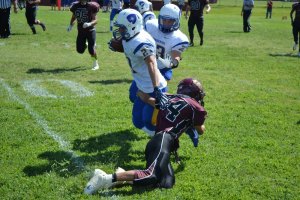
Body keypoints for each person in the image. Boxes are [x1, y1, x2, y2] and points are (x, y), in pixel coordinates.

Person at [83, 78, 207, 194]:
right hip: (164, 139)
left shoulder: (168, 98)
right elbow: (200, 130)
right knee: (150, 175)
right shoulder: (196, 107)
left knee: (166, 183)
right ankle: (105, 178)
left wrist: (140, 88)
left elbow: (148, 99)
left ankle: (122, 175)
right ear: (195, 93)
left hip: (157, 142)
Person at [109, 8, 168, 136]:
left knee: (149, 121)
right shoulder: (130, 36)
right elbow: (132, 51)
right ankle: (158, 136)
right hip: (142, 84)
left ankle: (165, 138)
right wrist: (118, 47)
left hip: (153, 86)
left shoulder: (141, 41)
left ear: (132, 27)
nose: (119, 31)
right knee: (137, 122)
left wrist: (156, 88)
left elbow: (151, 63)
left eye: (122, 28)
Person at [67, 0, 100, 70]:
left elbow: (96, 20)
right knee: (80, 50)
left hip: (90, 30)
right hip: (81, 31)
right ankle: (86, 44)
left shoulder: (92, 6)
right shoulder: (75, 6)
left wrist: (89, 24)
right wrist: (70, 25)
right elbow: (74, 17)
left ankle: (95, 64)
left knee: (91, 49)